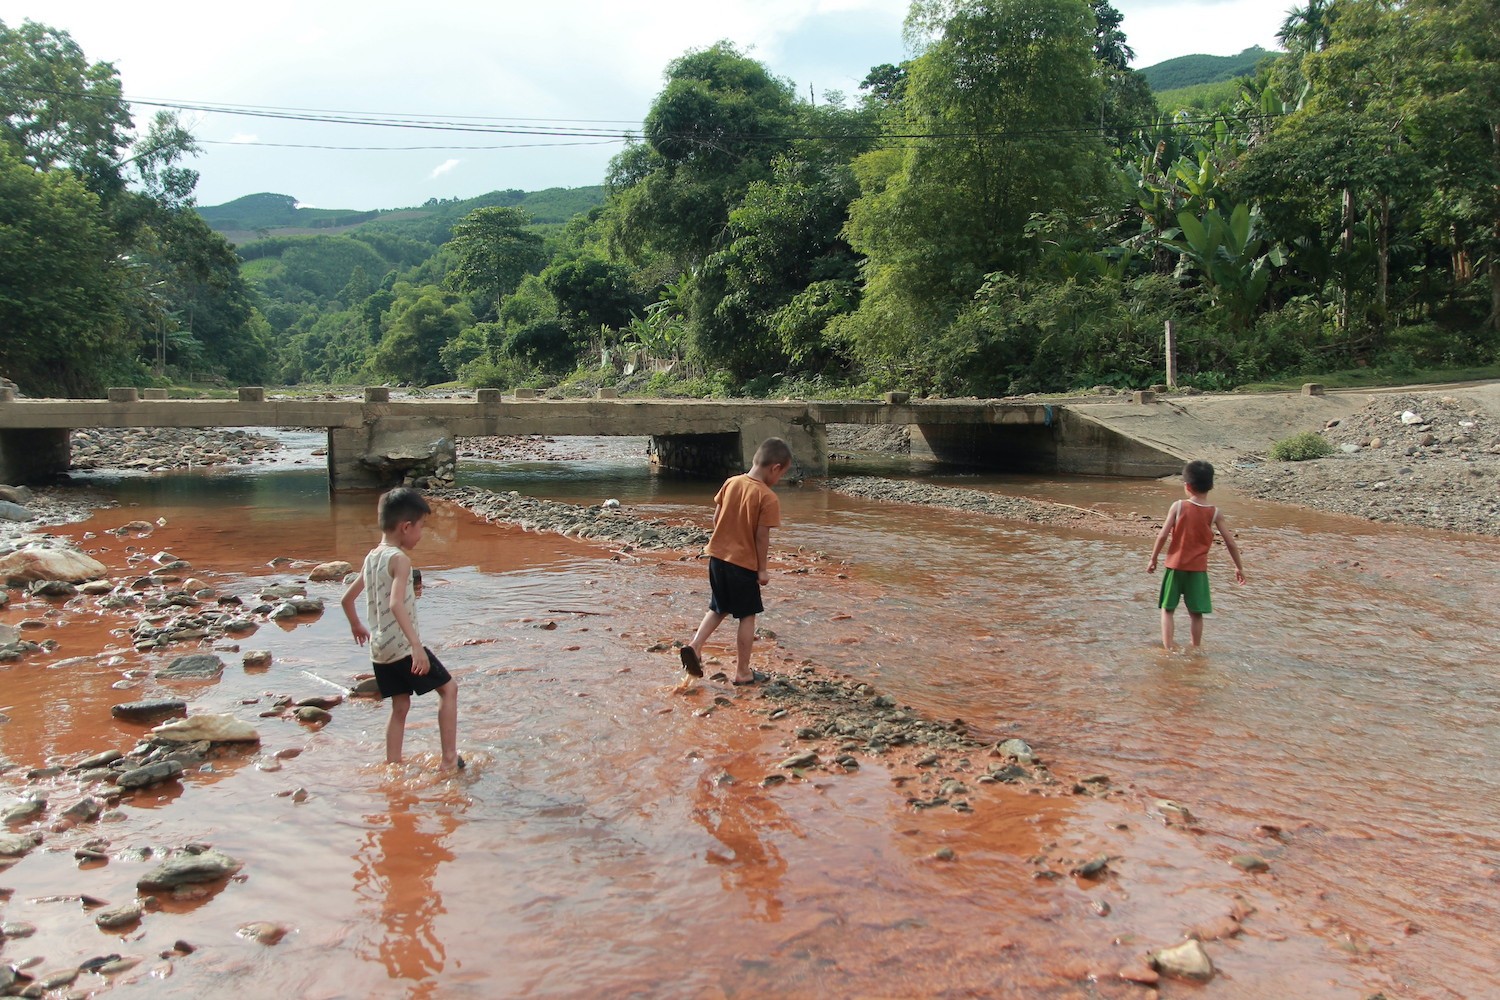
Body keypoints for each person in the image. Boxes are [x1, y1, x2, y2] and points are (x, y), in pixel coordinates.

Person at [341, 487, 462, 770]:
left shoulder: (372, 557)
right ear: (406, 527)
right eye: (421, 527)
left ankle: (393, 764)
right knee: (449, 690)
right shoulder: (400, 559)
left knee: (400, 707)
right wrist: (416, 646)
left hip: (380, 650)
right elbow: (396, 603)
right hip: (403, 647)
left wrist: (356, 624)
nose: (421, 534)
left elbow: (346, 598)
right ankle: (448, 760)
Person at [679, 437, 793, 685]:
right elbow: (762, 537)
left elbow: (716, 518)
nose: (779, 479)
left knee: (718, 607)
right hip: (742, 565)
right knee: (748, 615)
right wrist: (762, 569)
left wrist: (724, 540)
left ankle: (695, 645)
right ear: (775, 468)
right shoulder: (767, 497)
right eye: (781, 474)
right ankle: (743, 672)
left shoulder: (731, 482)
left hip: (717, 558)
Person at [1147, 460, 1246, 650]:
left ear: (1187, 486)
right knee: (1196, 613)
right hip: (1198, 570)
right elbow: (1230, 542)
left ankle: (1168, 649)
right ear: (1211, 486)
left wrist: (1153, 558)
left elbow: (1162, 535)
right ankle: (1195, 648)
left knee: (1168, 610)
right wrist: (1238, 567)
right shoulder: (1215, 512)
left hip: (1175, 567)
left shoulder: (1178, 506)